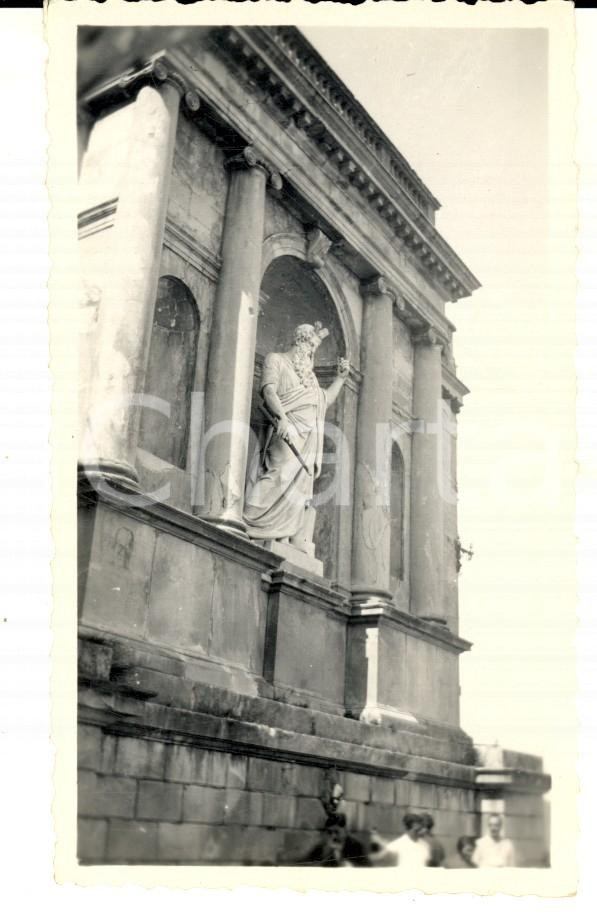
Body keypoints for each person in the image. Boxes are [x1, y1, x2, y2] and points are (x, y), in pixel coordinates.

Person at [244, 322, 349, 545]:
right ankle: (249, 520)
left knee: (298, 485)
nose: (311, 353)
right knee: (278, 473)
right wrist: (281, 418)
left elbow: (325, 400)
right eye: (310, 346)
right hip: (285, 428)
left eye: (314, 349)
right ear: (300, 341)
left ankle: (281, 535)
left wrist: (340, 379)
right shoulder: (276, 359)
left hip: (308, 437)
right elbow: (268, 390)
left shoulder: (310, 379)